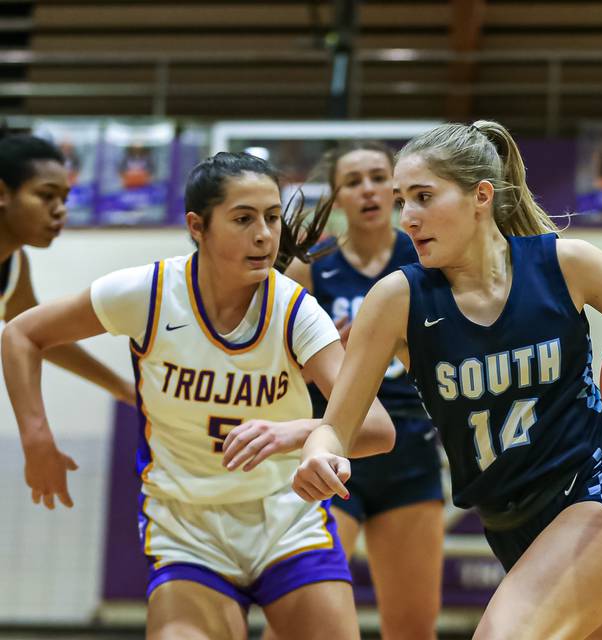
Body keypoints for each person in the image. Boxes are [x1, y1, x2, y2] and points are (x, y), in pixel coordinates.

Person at [289, 121, 602, 639]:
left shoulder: (565, 263)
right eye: (403, 201)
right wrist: (319, 451)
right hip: (513, 525)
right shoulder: (395, 300)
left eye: (423, 197)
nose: (409, 218)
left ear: (480, 196)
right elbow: (337, 426)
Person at [2, 151, 395, 640]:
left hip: (285, 520)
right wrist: (36, 439)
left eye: (272, 218)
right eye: (244, 219)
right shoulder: (147, 292)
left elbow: (377, 428)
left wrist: (294, 432)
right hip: (187, 530)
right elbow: (20, 334)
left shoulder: (295, 310)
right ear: (197, 226)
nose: (264, 234)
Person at [273, 140, 444, 640]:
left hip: (410, 448)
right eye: (353, 181)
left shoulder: (425, 257)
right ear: (338, 197)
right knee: (300, 623)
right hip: (335, 444)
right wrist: (336, 358)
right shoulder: (313, 266)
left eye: (376, 177)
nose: (367, 189)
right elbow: (278, 372)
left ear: (394, 191)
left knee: (413, 627)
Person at [0, 133, 133, 405]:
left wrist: (125, 390)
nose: (60, 211)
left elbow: (40, 336)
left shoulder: (14, 263)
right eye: (46, 195)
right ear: (2, 193)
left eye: (64, 198)